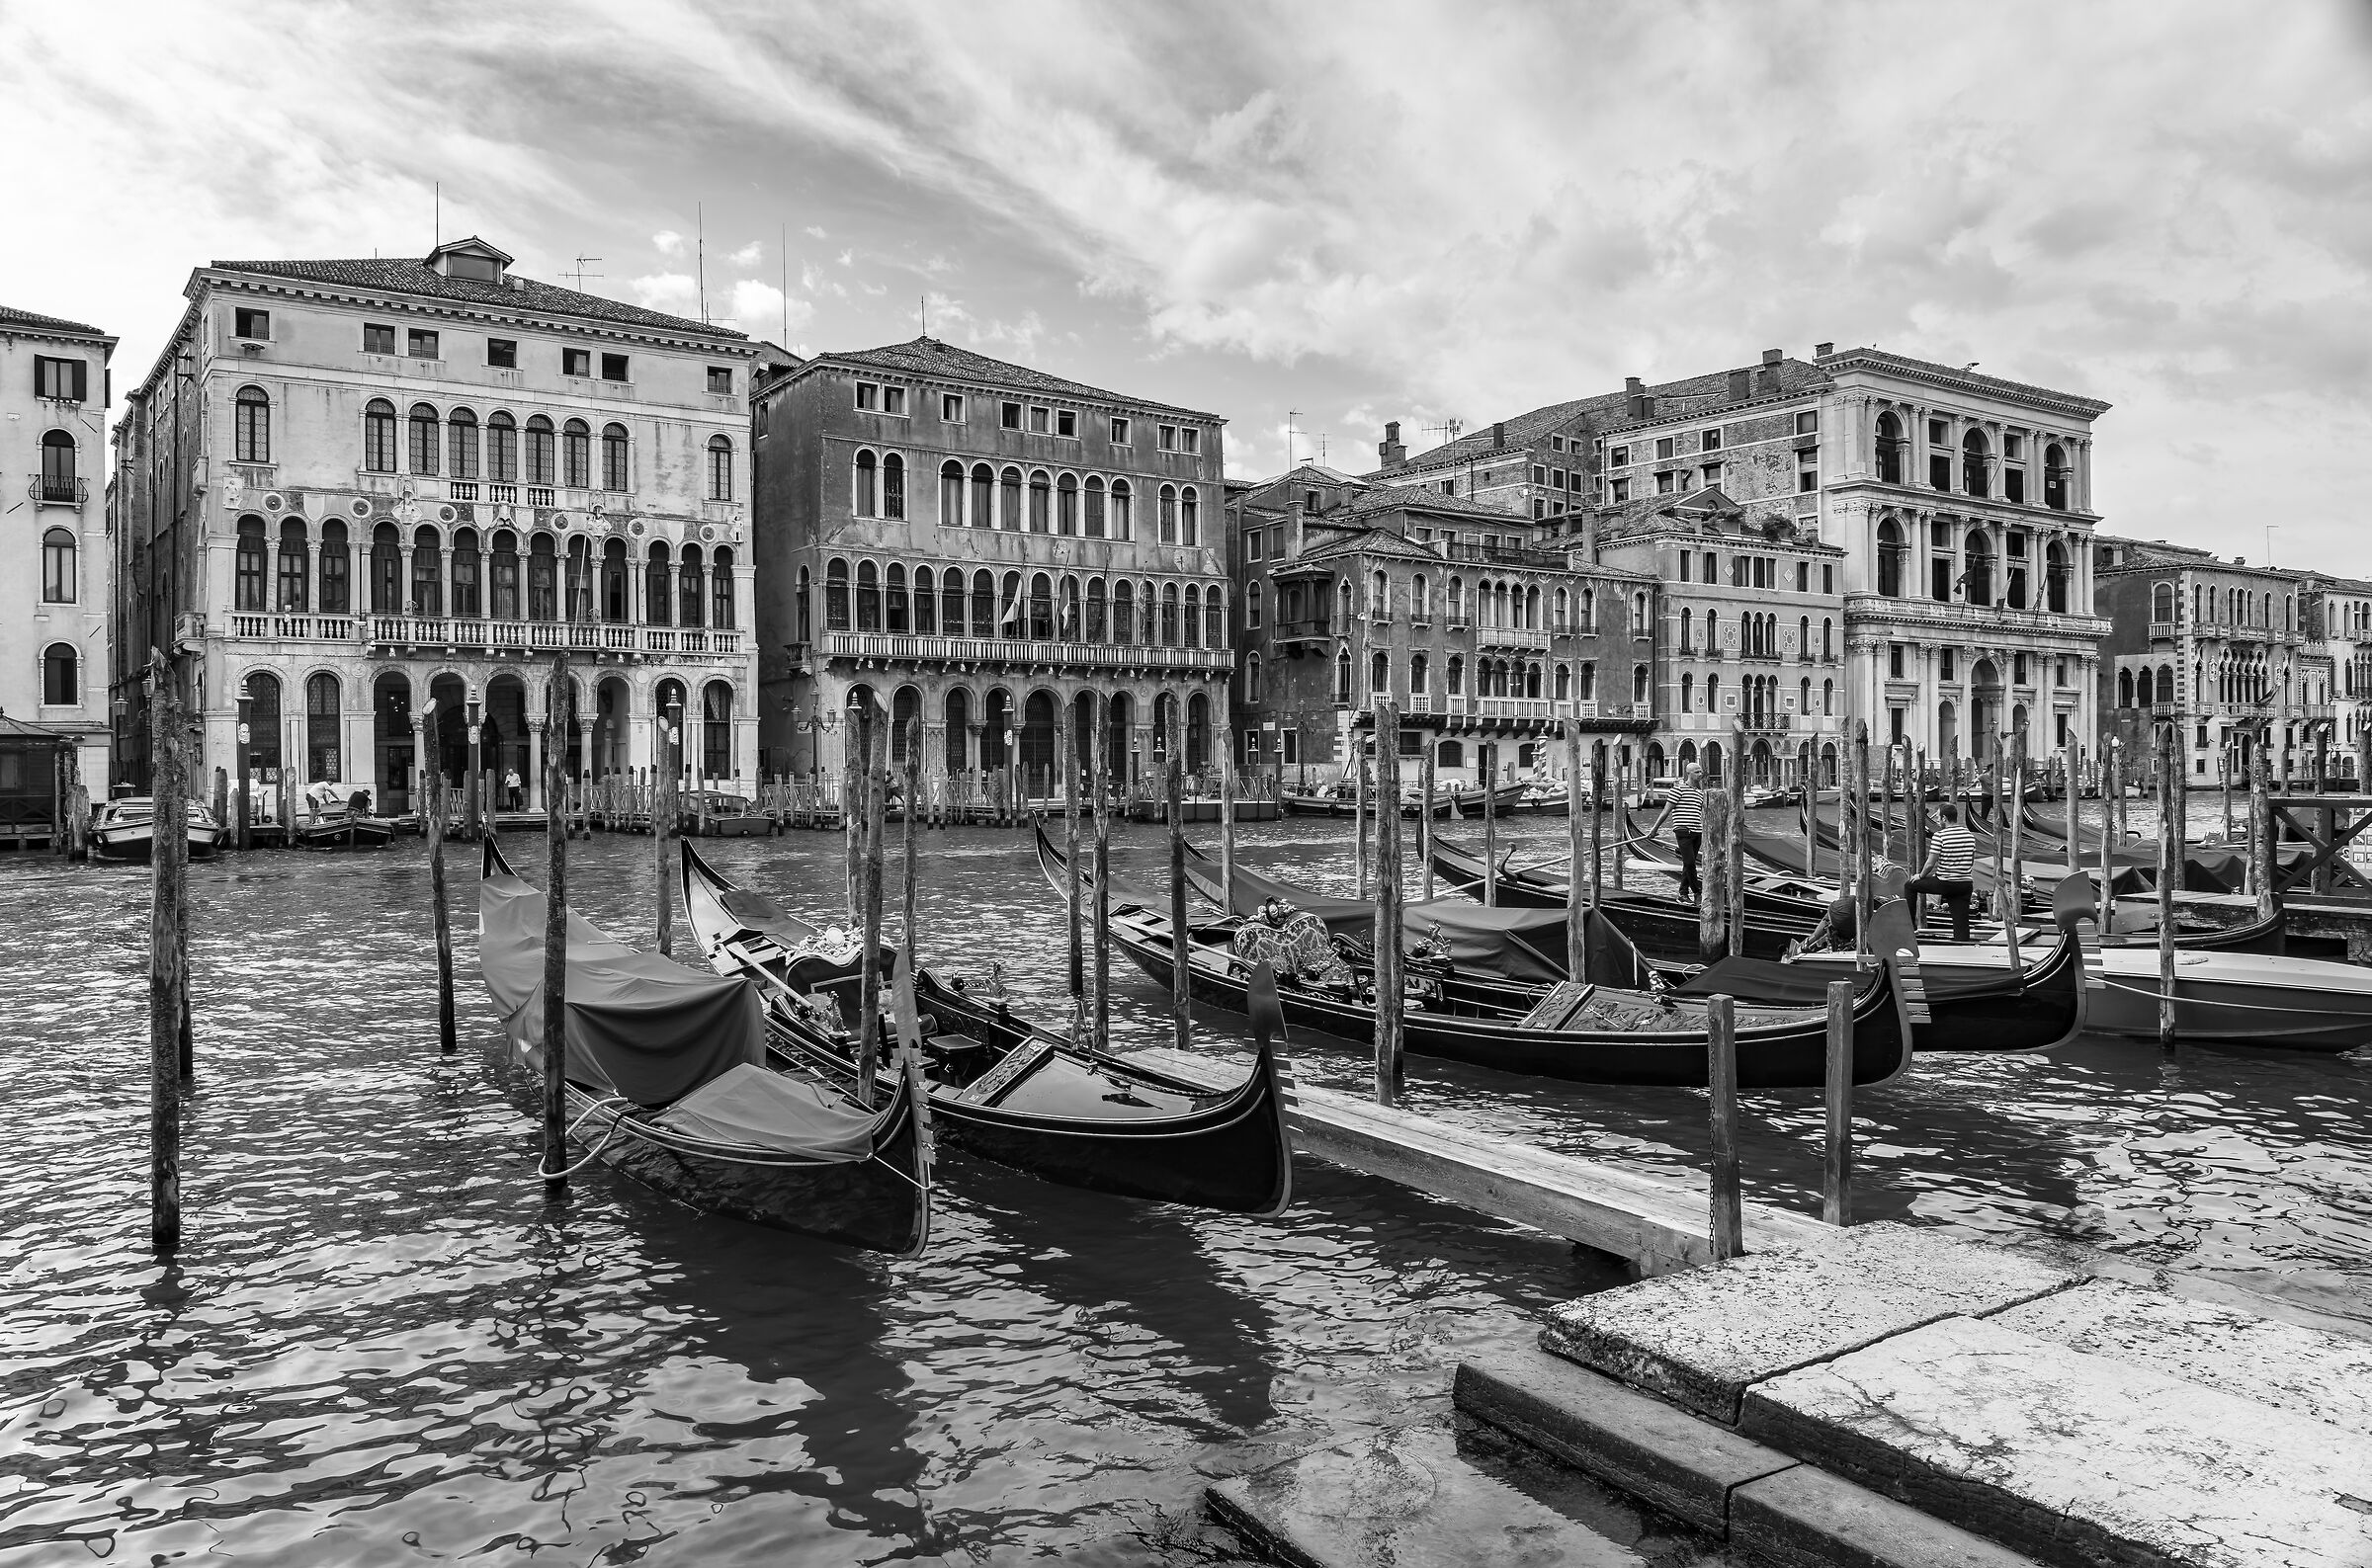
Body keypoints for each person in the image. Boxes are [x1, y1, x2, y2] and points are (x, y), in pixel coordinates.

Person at [1906, 802, 1979, 941]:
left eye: (1938, 817)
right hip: (1965, 885)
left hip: (1945, 882)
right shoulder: (1970, 836)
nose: (1938, 821)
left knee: (1910, 885)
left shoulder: (1940, 836)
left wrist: (1920, 876)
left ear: (1944, 818)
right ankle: (1962, 948)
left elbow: (1930, 864)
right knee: (1961, 924)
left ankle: (1910, 927)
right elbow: (1971, 860)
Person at [1652, 765, 1708, 903]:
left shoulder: (1700, 793)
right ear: (1689, 773)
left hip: (1697, 832)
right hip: (1683, 831)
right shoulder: (1678, 790)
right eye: (1697, 772)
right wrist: (1654, 829)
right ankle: (1697, 893)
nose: (1700, 774)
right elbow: (1666, 811)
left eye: (1701, 771)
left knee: (1688, 865)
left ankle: (1683, 894)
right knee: (1690, 863)